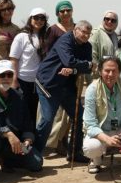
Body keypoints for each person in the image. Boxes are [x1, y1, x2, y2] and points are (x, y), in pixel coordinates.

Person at [33, 20, 93, 163]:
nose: (86, 35)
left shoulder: (87, 46)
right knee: (48, 119)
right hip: (48, 83)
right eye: (83, 32)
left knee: (80, 116)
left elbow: (88, 69)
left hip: (67, 86)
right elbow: (69, 61)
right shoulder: (65, 40)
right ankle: (35, 153)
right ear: (75, 29)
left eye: (88, 33)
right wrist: (83, 65)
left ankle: (74, 152)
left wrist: (74, 70)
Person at [43, 0, 75, 153]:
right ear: (58, 13)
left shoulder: (76, 28)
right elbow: (47, 52)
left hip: (72, 74)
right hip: (56, 75)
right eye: (62, 11)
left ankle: (63, 141)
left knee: (69, 114)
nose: (66, 13)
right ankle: (51, 143)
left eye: (68, 10)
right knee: (56, 113)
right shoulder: (53, 30)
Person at [9, 7, 49, 128]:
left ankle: (30, 137)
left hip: (38, 82)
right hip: (22, 80)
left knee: (33, 112)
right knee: (21, 111)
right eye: (36, 18)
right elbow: (14, 59)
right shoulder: (21, 37)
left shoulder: (45, 37)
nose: (39, 21)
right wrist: (14, 80)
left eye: (42, 18)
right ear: (30, 19)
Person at [90, 10, 120, 80]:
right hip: (98, 74)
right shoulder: (96, 33)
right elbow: (92, 55)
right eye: (107, 19)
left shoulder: (115, 35)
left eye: (113, 20)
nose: (109, 22)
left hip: (111, 75)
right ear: (103, 19)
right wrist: (100, 71)